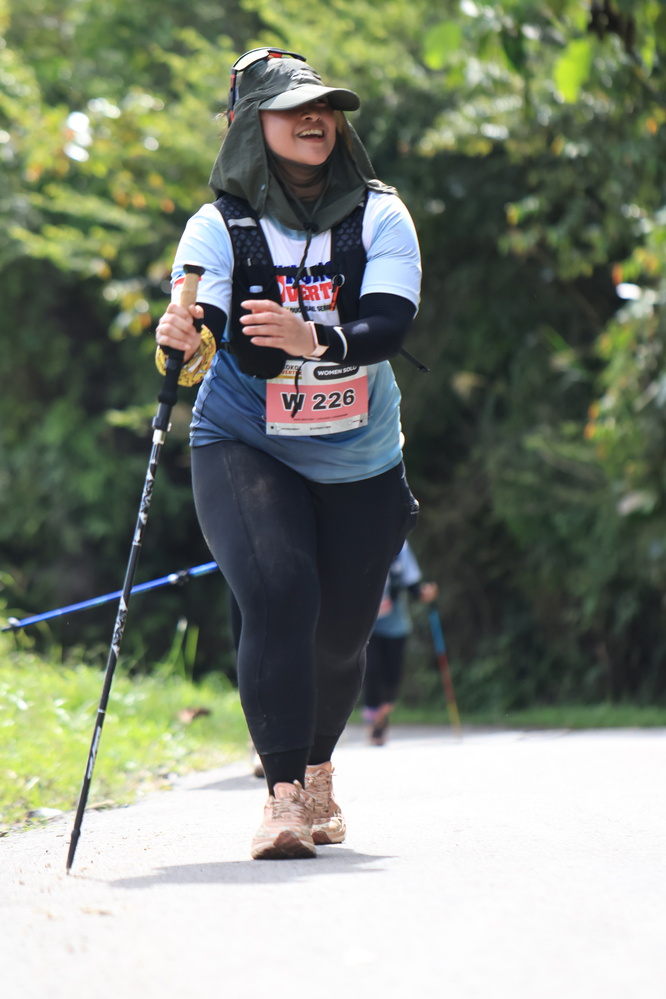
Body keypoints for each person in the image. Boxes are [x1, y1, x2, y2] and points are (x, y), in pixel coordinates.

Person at [154, 48, 422, 860]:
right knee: (277, 590)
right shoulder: (217, 228)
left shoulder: (381, 213)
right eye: (291, 107)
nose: (314, 117)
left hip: (359, 454)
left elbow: (389, 324)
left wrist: (313, 338)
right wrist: (180, 339)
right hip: (244, 439)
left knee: (340, 636)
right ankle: (280, 797)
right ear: (249, 126)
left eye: (324, 106)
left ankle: (316, 771)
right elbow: (204, 332)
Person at [362, 540, 438, 746]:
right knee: (372, 669)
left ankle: (382, 717)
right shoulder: (360, 540)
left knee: (392, 676)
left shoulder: (399, 544)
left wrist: (424, 593)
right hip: (368, 625)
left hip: (396, 626)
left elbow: (412, 583)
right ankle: (374, 725)